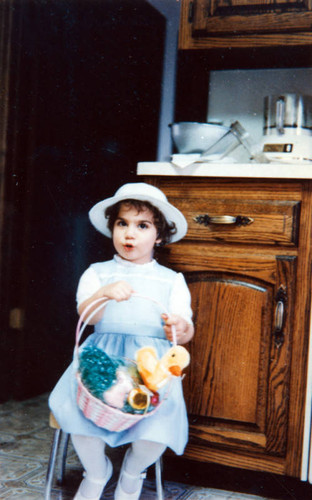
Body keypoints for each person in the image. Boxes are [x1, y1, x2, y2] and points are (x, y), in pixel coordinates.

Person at [49, 182, 194, 500]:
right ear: (112, 229)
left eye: (142, 226)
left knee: (161, 423)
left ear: (159, 236)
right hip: (102, 357)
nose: (130, 234)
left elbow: (184, 331)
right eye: (122, 224)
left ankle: (132, 472)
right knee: (77, 412)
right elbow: (88, 316)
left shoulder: (171, 280)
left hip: (150, 364)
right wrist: (103, 294)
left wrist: (180, 327)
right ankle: (97, 472)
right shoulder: (97, 273)